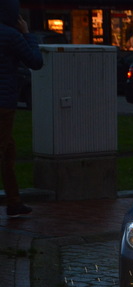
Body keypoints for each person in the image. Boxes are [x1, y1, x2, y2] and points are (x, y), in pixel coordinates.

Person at [0, 0, 42, 217]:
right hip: (4, 104)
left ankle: (14, 200)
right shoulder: (12, 35)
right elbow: (35, 61)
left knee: (8, 151)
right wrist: (27, 33)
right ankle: (14, 202)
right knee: (4, 150)